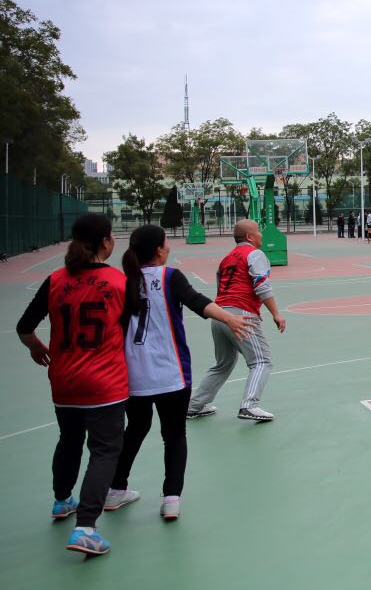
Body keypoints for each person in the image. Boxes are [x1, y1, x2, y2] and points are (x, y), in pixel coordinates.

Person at [111, 225, 252, 521]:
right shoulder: (169, 277)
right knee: (174, 435)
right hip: (169, 372)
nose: (169, 246)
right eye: (166, 242)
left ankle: (115, 489)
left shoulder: (124, 282)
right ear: (158, 250)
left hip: (133, 374)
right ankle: (171, 499)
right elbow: (198, 302)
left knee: (135, 430)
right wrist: (230, 318)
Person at [16, 214, 128, 555]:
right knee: (105, 450)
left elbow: (24, 327)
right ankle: (86, 528)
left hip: (64, 380)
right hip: (105, 382)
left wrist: (36, 347)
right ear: (106, 241)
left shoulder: (55, 280)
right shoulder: (118, 282)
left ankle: (63, 499)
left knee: (69, 440)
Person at [187, 219, 287, 422]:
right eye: (258, 231)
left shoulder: (227, 258)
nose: (261, 234)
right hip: (241, 315)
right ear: (249, 236)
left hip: (219, 314)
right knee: (261, 360)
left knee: (223, 363)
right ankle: (250, 405)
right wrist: (276, 313)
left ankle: (193, 406)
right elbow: (262, 285)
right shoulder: (255, 254)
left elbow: (220, 286)